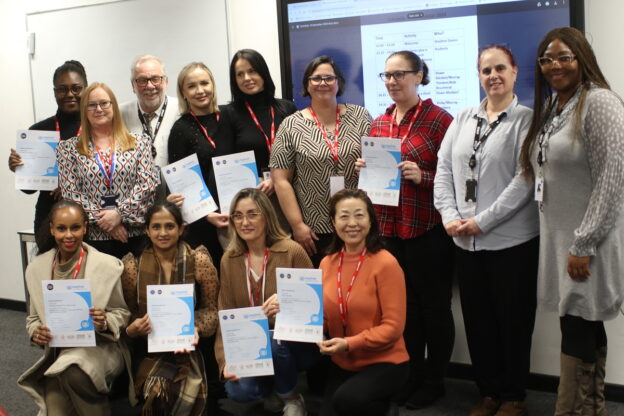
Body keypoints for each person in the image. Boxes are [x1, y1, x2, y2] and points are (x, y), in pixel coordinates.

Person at [519, 27, 624, 415]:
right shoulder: (555, 108)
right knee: (583, 325)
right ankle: (590, 408)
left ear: (582, 58)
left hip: (587, 244)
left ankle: (570, 410)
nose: (554, 65)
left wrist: (583, 243)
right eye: (546, 59)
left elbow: (612, 179)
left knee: (578, 329)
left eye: (564, 57)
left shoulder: (600, 103)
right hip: (561, 239)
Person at [434, 45, 539, 416]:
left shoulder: (528, 120)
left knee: (513, 323)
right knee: (479, 324)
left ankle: (513, 397)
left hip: (511, 243)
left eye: (500, 69)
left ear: (514, 72)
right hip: (465, 243)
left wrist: (483, 221)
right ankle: (488, 392)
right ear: (478, 75)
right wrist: (449, 215)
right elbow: (443, 170)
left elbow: (526, 180)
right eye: (485, 70)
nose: (492, 76)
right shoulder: (462, 118)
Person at [355, 50, 454, 408]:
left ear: (419, 76)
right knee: (403, 310)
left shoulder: (441, 120)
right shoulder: (379, 123)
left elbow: (454, 178)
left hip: (426, 230)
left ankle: (435, 381)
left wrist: (422, 176)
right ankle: (411, 375)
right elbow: (372, 181)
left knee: (435, 310)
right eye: (387, 75)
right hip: (390, 233)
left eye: (400, 74)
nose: (393, 81)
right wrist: (365, 168)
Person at [18, 200, 131, 415]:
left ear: (85, 228)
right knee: (55, 407)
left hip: (101, 347)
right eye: (61, 228)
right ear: (52, 229)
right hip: (58, 352)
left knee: (74, 373)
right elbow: (33, 319)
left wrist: (105, 321)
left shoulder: (107, 265)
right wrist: (36, 333)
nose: (68, 235)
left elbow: (122, 313)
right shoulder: (36, 268)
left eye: (75, 227)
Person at [215, 188, 318, 416]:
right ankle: (274, 389)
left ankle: (291, 397)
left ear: (267, 216)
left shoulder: (292, 250)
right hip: (251, 346)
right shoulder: (229, 259)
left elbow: (317, 308)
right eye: (238, 216)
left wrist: (289, 305)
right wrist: (225, 363)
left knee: (273, 342)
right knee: (238, 390)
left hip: (294, 344)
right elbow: (226, 313)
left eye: (252, 214)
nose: (245, 222)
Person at [270, 55, 372, 266]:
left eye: (329, 78)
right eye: (316, 78)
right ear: (307, 84)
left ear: (339, 83)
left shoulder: (361, 116)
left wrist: (369, 169)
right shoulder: (291, 125)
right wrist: (297, 225)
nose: (322, 83)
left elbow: (377, 162)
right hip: (314, 230)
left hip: (357, 223)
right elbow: (280, 180)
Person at [121, 201, 219, 415]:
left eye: (169, 226)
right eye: (156, 227)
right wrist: (134, 328)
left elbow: (212, 310)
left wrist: (196, 329)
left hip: (190, 344)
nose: (162, 233)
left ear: (181, 228)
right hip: (148, 347)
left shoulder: (198, 260)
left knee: (185, 393)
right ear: (147, 230)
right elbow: (128, 313)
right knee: (156, 393)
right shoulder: (132, 266)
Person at [318, 188, 408, 416]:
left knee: (347, 402)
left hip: (385, 361)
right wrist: (292, 314)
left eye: (359, 215)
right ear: (333, 221)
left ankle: (388, 409)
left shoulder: (386, 263)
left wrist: (349, 343)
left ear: (370, 220)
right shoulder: (326, 263)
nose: (352, 223)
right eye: (344, 216)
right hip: (343, 362)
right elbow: (324, 319)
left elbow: (393, 328)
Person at [57, 82, 159, 259]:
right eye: (92, 105)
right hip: (93, 240)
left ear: (113, 106)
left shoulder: (140, 142)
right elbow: (71, 194)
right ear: (84, 110)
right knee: (100, 287)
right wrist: (107, 222)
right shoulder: (68, 149)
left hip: (134, 236)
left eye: (104, 103)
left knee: (136, 286)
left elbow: (147, 185)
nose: (99, 109)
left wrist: (120, 214)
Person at [8, 60, 88, 250]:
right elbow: (28, 190)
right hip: (49, 220)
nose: (70, 94)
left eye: (76, 88)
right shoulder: (38, 131)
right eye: (62, 89)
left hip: (90, 218)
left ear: (86, 89)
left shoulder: (97, 129)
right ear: (54, 92)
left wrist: (69, 185)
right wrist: (20, 168)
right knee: (52, 274)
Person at [167, 62, 235, 264]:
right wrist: (208, 216)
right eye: (191, 86)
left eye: (204, 83)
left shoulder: (230, 116)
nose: (200, 90)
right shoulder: (180, 129)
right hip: (203, 223)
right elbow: (181, 185)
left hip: (238, 216)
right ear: (183, 93)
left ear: (212, 85)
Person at [224, 49, 297, 230]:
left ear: (263, 72)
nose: (247, 78)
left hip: (287, 197)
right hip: (250, 201)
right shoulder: (229, 114)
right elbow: (224, 162)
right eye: (240, 74)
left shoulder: (286, 108)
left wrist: (277, 178)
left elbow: (300, 155)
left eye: (252, 71)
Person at [120, 55, 179, 169]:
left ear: (166, 82)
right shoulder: (120, 114)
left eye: (155, 79)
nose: (150, 86)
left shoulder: (181, 110)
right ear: (133, 86)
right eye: (142, 80)